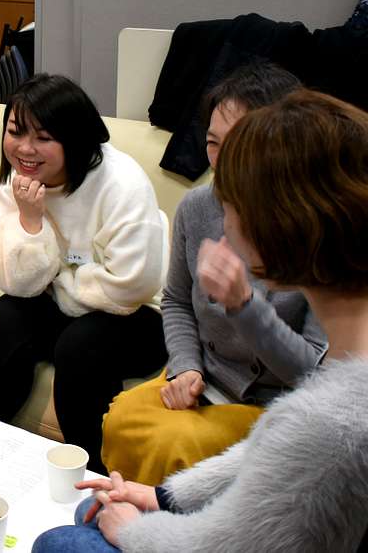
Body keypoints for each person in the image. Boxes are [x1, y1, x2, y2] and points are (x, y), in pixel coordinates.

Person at [33, 90, 368, 552]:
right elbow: (266, 456)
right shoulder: (341, 380)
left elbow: (218, 543)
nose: (221, 208)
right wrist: (161, 496)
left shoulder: (323, 422)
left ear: (282, 222)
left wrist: (134, 529)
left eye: (235, 196)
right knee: (94, 510)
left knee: (61, 541)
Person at [101, 63, 327, 485]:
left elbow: (316, 375)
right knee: (120, 419)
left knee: (173, 447)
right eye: (212, 142)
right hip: (204, 381)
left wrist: (245, 306)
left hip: (277, 403)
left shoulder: (319, 230)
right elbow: (176, 300)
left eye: (240, 144)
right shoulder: (198, 206)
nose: (223, 162)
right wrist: (186, 367)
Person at [0, 74, 166, 473]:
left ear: (74, 139)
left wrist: (58, 279)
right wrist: (29, 221)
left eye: (43, 137)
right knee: (5, 316)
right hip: (65, 303)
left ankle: (91, 477)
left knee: (80, 345)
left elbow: (132, 286)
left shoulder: (121, 183)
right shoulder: (15, 180)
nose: (24, 149)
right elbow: (15, 284)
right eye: (15, 132)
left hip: (141, 319)